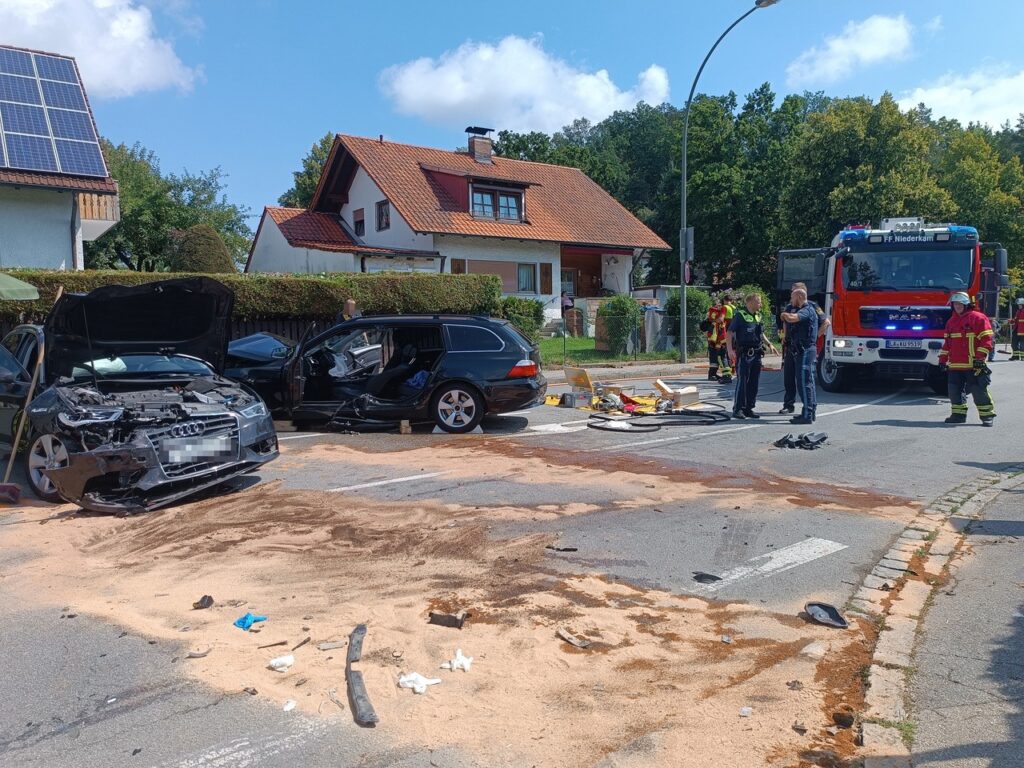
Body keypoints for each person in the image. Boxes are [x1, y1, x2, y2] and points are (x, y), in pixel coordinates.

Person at [939, 292, 995, 426]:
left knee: (979, 391)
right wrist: (942, 359)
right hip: (955, 365)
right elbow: (947, 344)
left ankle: (987, 416)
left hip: (973, 364)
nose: (957, 306)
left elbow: (987, 340)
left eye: (960, 304)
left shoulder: (978, 318)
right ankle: (958, 415)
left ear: (966, 304)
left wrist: (980, 359)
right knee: (954, 391)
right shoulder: (951, 322)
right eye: (955, 304)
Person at [778, 282, 830, 414]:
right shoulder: (790, 306)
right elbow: (785, 322)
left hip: (804, 346)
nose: (791, 295)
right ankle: (788, 404)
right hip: (791, 345)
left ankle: (809, 408)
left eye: (793, 292)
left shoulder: (811, 306)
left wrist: (814, 336)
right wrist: (784, 336)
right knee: (788, 377)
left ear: (801, 293)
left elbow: (826, 322)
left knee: (804, 379)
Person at [727, 292, 777, 419]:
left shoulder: (758, 316)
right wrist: (729, 350)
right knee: (742, 381)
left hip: (757, 353)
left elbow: (761, 333)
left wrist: (769, 344)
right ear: (750, 302)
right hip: (744, 354)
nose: (760, 303)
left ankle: (749, 408)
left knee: (754, 382)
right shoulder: (740, 315)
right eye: (758, 301)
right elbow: (729, 332)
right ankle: (738, 408)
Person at [780, 287, 819, 424]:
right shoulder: (804, 309)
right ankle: (809, 411)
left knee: (804, 382)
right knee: (806, 381)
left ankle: (807, 414)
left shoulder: (807, 309)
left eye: (792, 297)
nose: (791, 300)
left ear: (799, 297)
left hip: (806, 349)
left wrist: (784, 315)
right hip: (802, 349)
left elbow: (792, 318)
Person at [705, 294, 733, 383]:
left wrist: (712, 320)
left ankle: (714, 374)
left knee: (718, 356)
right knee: (722, 356)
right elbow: (721, 320)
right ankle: (723, 375)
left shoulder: (722, 309)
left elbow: (719, 320)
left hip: (718, 338)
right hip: (722, 337)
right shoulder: (730, 309)